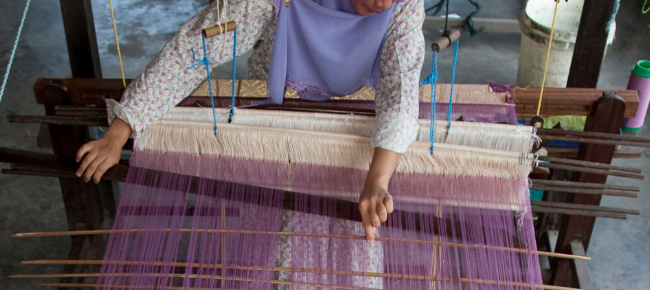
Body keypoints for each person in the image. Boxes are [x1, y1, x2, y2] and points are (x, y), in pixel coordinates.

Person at [74, 0, 425, 240]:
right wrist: (122, 127)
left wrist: (376, 180)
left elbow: (400, 91)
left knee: (345, 231)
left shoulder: (404, 5)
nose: (384, 3)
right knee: (271, 229)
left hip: (351, 123)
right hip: (274, 114)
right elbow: (195, 50)